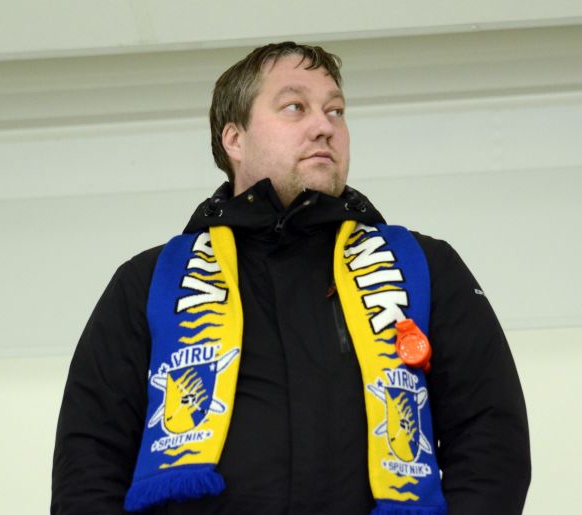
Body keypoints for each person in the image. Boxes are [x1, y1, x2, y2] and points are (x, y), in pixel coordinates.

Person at [51, 42, 531, 515]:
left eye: (336, 111)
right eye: (295, 107)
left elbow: (491, 439)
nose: (325, 127)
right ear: (234, 139)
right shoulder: (149, 281)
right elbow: (89, 459)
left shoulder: (424, 266)